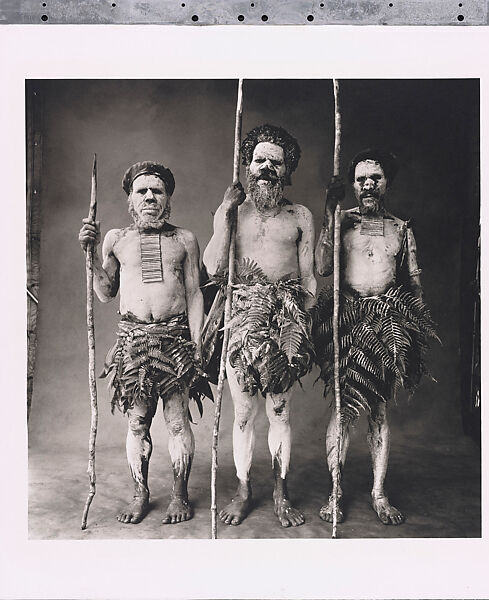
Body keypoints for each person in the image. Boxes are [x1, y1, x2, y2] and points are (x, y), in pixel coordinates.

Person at [78, 161, 209, 525]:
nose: (150, 196)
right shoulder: (117, 239)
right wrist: (89, 256)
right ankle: (141, 493)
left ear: (167, 198)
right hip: (133, 342)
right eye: (142, 191)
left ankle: (180, 495)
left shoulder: (184, 239)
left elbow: (196, 293)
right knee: (137, 422)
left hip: (175, 342)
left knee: (177, 421)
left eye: (158, 191)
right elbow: (106, 293)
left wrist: (196, 344)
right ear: (131, 201)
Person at [313, 149, 438, 526]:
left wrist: (414, 332)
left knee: (378, 411)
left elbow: (413, 286)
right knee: (342, 407)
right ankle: (335, 490)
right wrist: (328, 210)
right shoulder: (340, 221)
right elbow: (322, 267)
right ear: (352, 184)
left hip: (386, 325)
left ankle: (378, 493)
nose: (368, 185)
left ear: (386, 183)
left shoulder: (401, 228)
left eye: (375, 178)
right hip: (347, 321)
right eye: (361, 178)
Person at [203, 124, 316, 527]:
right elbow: (213, 268)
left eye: (276, 162)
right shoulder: (231, 212)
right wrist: (224, 214)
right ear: (247, 166)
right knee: (244, 413)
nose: (267, 167)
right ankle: (244, 488)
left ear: (287, 170)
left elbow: (309, 279)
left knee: (280, 412)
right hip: (241, 321)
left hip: (285, 322)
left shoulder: (299, 215)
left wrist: (301, 328)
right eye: (259, 160)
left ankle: (281, 493)